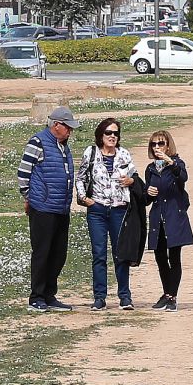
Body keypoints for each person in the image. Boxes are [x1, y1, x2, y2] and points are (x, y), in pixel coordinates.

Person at [17, 105, 79, 311]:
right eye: (67, 127)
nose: (70, 131)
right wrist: (30, 197)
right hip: (42, 207)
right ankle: (36, 297)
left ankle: (49, 294)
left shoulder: (63, 145)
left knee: (59, 253)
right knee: (42, 252)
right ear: (56, 125)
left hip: (61, 208)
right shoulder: (38, 142)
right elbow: (23, 173)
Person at [77, 116, 138, 310]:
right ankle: (100, 297)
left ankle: (125, 297)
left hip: (119, 209)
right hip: (97, 210)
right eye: (108, 133)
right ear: (100, 135)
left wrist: (131, 181)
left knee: (121, 254)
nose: (112, 136)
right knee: (99, 254)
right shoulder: (91, 152)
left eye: (116, 133)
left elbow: (134, 176)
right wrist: (83, 198)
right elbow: (81, 177)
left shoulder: (124, 155)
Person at [142, 129, 193, 311]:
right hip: (158, 218)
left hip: (174, 217)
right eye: (154, 144)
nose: (157, 147)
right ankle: (166, 294)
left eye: (161, 143)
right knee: (160, 258)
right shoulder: (150, 169)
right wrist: (147, 192)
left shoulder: (176, 164)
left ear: (168, 145)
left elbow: (183, 178)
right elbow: (146, 200)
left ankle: (172, 296)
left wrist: (170, 162)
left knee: (175, 258)